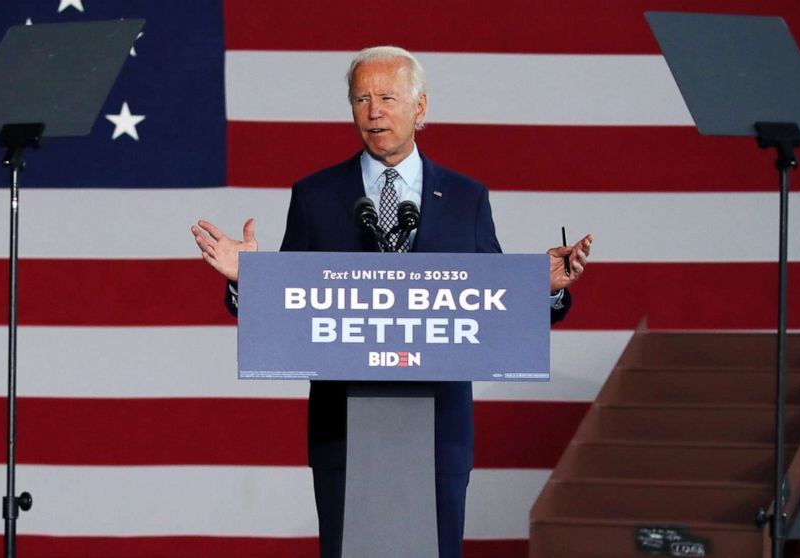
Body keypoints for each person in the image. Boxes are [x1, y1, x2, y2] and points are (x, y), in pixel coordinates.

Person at [192, 45, 593, 558]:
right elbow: (284, 314)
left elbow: (496, 308)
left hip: (438, 431)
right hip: (345, 430)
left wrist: (545, 287)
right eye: (361, 99)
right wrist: (249, 279)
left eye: (386, 97)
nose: (373, 111)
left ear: (420, 108)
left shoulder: (467, 198)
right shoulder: (316, 195)